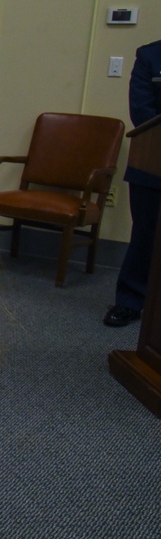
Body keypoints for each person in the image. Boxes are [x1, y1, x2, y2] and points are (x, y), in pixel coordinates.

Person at [104, 38, 161, 327]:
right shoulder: (150, 55)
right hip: (153, 163)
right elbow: (142, 110)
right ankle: (130, 300)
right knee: (145, 236)